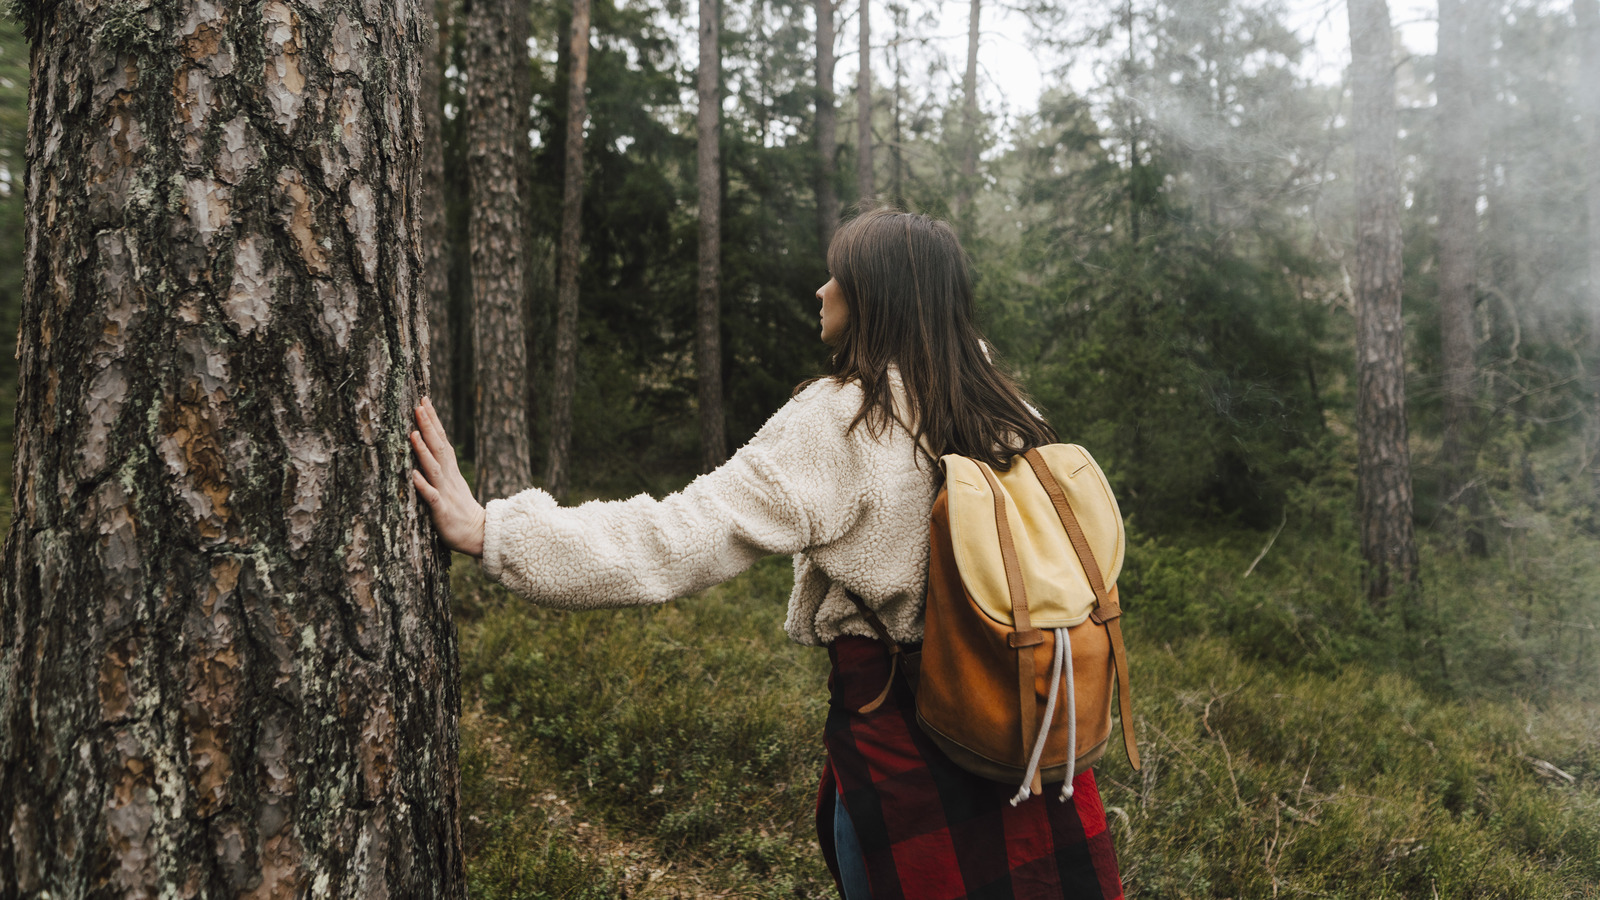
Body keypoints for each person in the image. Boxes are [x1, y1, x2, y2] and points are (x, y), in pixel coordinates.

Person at [409, 207, 1124, 900]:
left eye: (836, 276)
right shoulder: (1006, 409)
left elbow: (676, 538)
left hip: (911, 747)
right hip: (1029, 729)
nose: (821, 291)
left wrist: (494, 533)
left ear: (876, 296)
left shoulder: (847, 418)